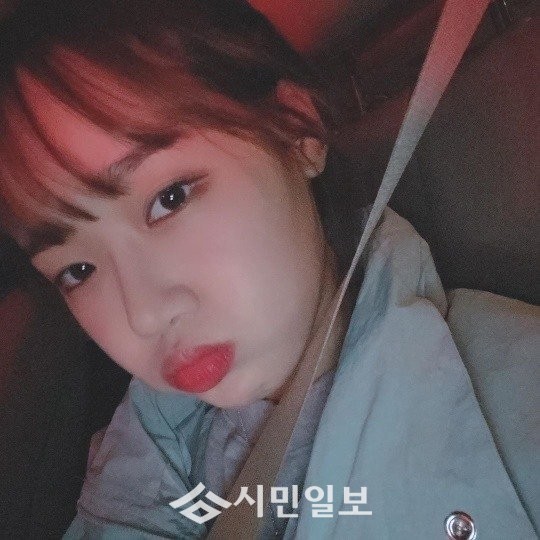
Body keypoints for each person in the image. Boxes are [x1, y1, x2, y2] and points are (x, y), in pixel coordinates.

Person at [0, 0, 537, 538]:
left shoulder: (513, 395)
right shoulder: (145, 450)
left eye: (170, 199)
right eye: (78, 270)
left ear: (296, 130)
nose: (143, 316)